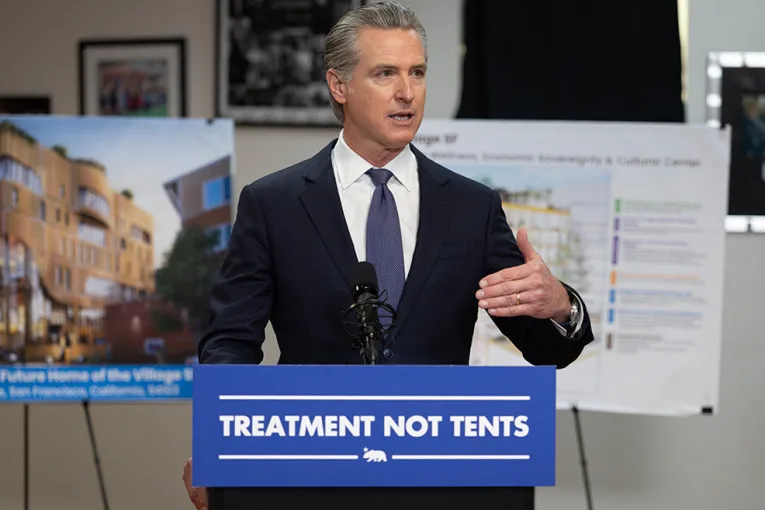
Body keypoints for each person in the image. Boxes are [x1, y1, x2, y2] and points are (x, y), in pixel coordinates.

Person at [196, 1, 594, 507]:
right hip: (311, 480)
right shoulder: (273, 204)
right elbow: (229, 343)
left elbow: (546, 348)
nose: (407, 92)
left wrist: (561, 306)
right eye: (385, 73)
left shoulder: (471, 206)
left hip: (440, 482)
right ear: (339, 85)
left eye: (417, 73)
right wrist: (220, 448)